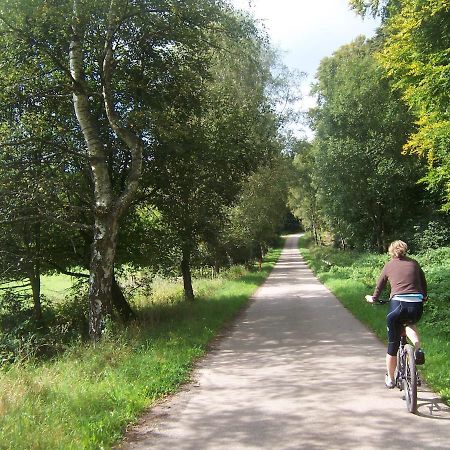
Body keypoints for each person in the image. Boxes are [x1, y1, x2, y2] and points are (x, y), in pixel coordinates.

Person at [365, 240, 427, 389]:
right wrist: (424, 296)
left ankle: (391, 379)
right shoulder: (414, 263)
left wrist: (373, 298)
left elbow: (380, 284)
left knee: (392, 345)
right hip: (416, 306)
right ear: (405, 250)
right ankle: (418, 349)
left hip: (397, 305)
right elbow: (423, 282)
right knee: (410, 324)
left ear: (391, 252)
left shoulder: (389, 265)